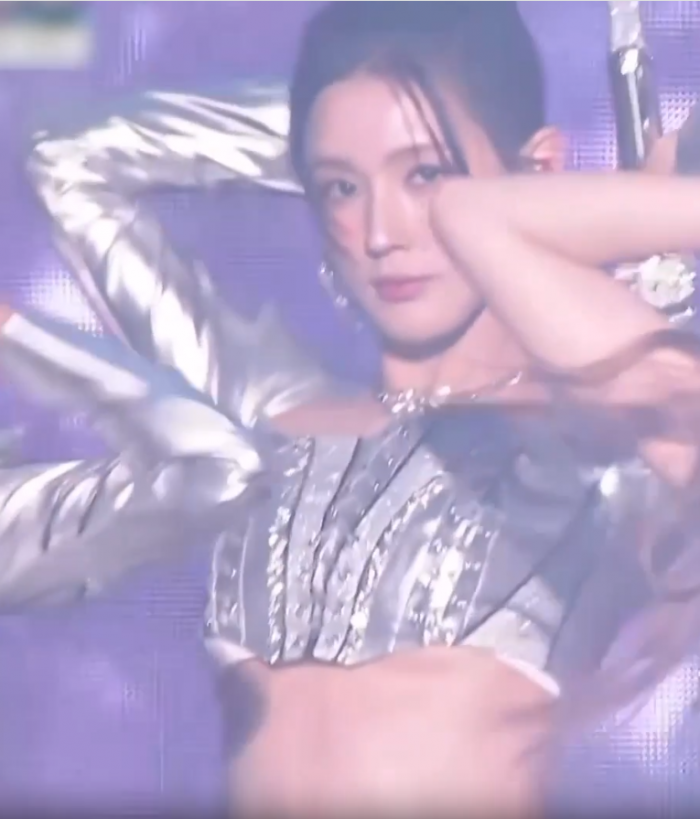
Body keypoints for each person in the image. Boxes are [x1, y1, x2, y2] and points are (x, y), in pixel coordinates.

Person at [2, 2, 700, 815]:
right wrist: (338, 138)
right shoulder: (270, 406)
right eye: (339, 187)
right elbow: (73, 162)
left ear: (536, 170)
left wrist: (611, 216)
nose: (380, 233)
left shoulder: (611, 438)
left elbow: (483, 217)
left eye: (424, 175)